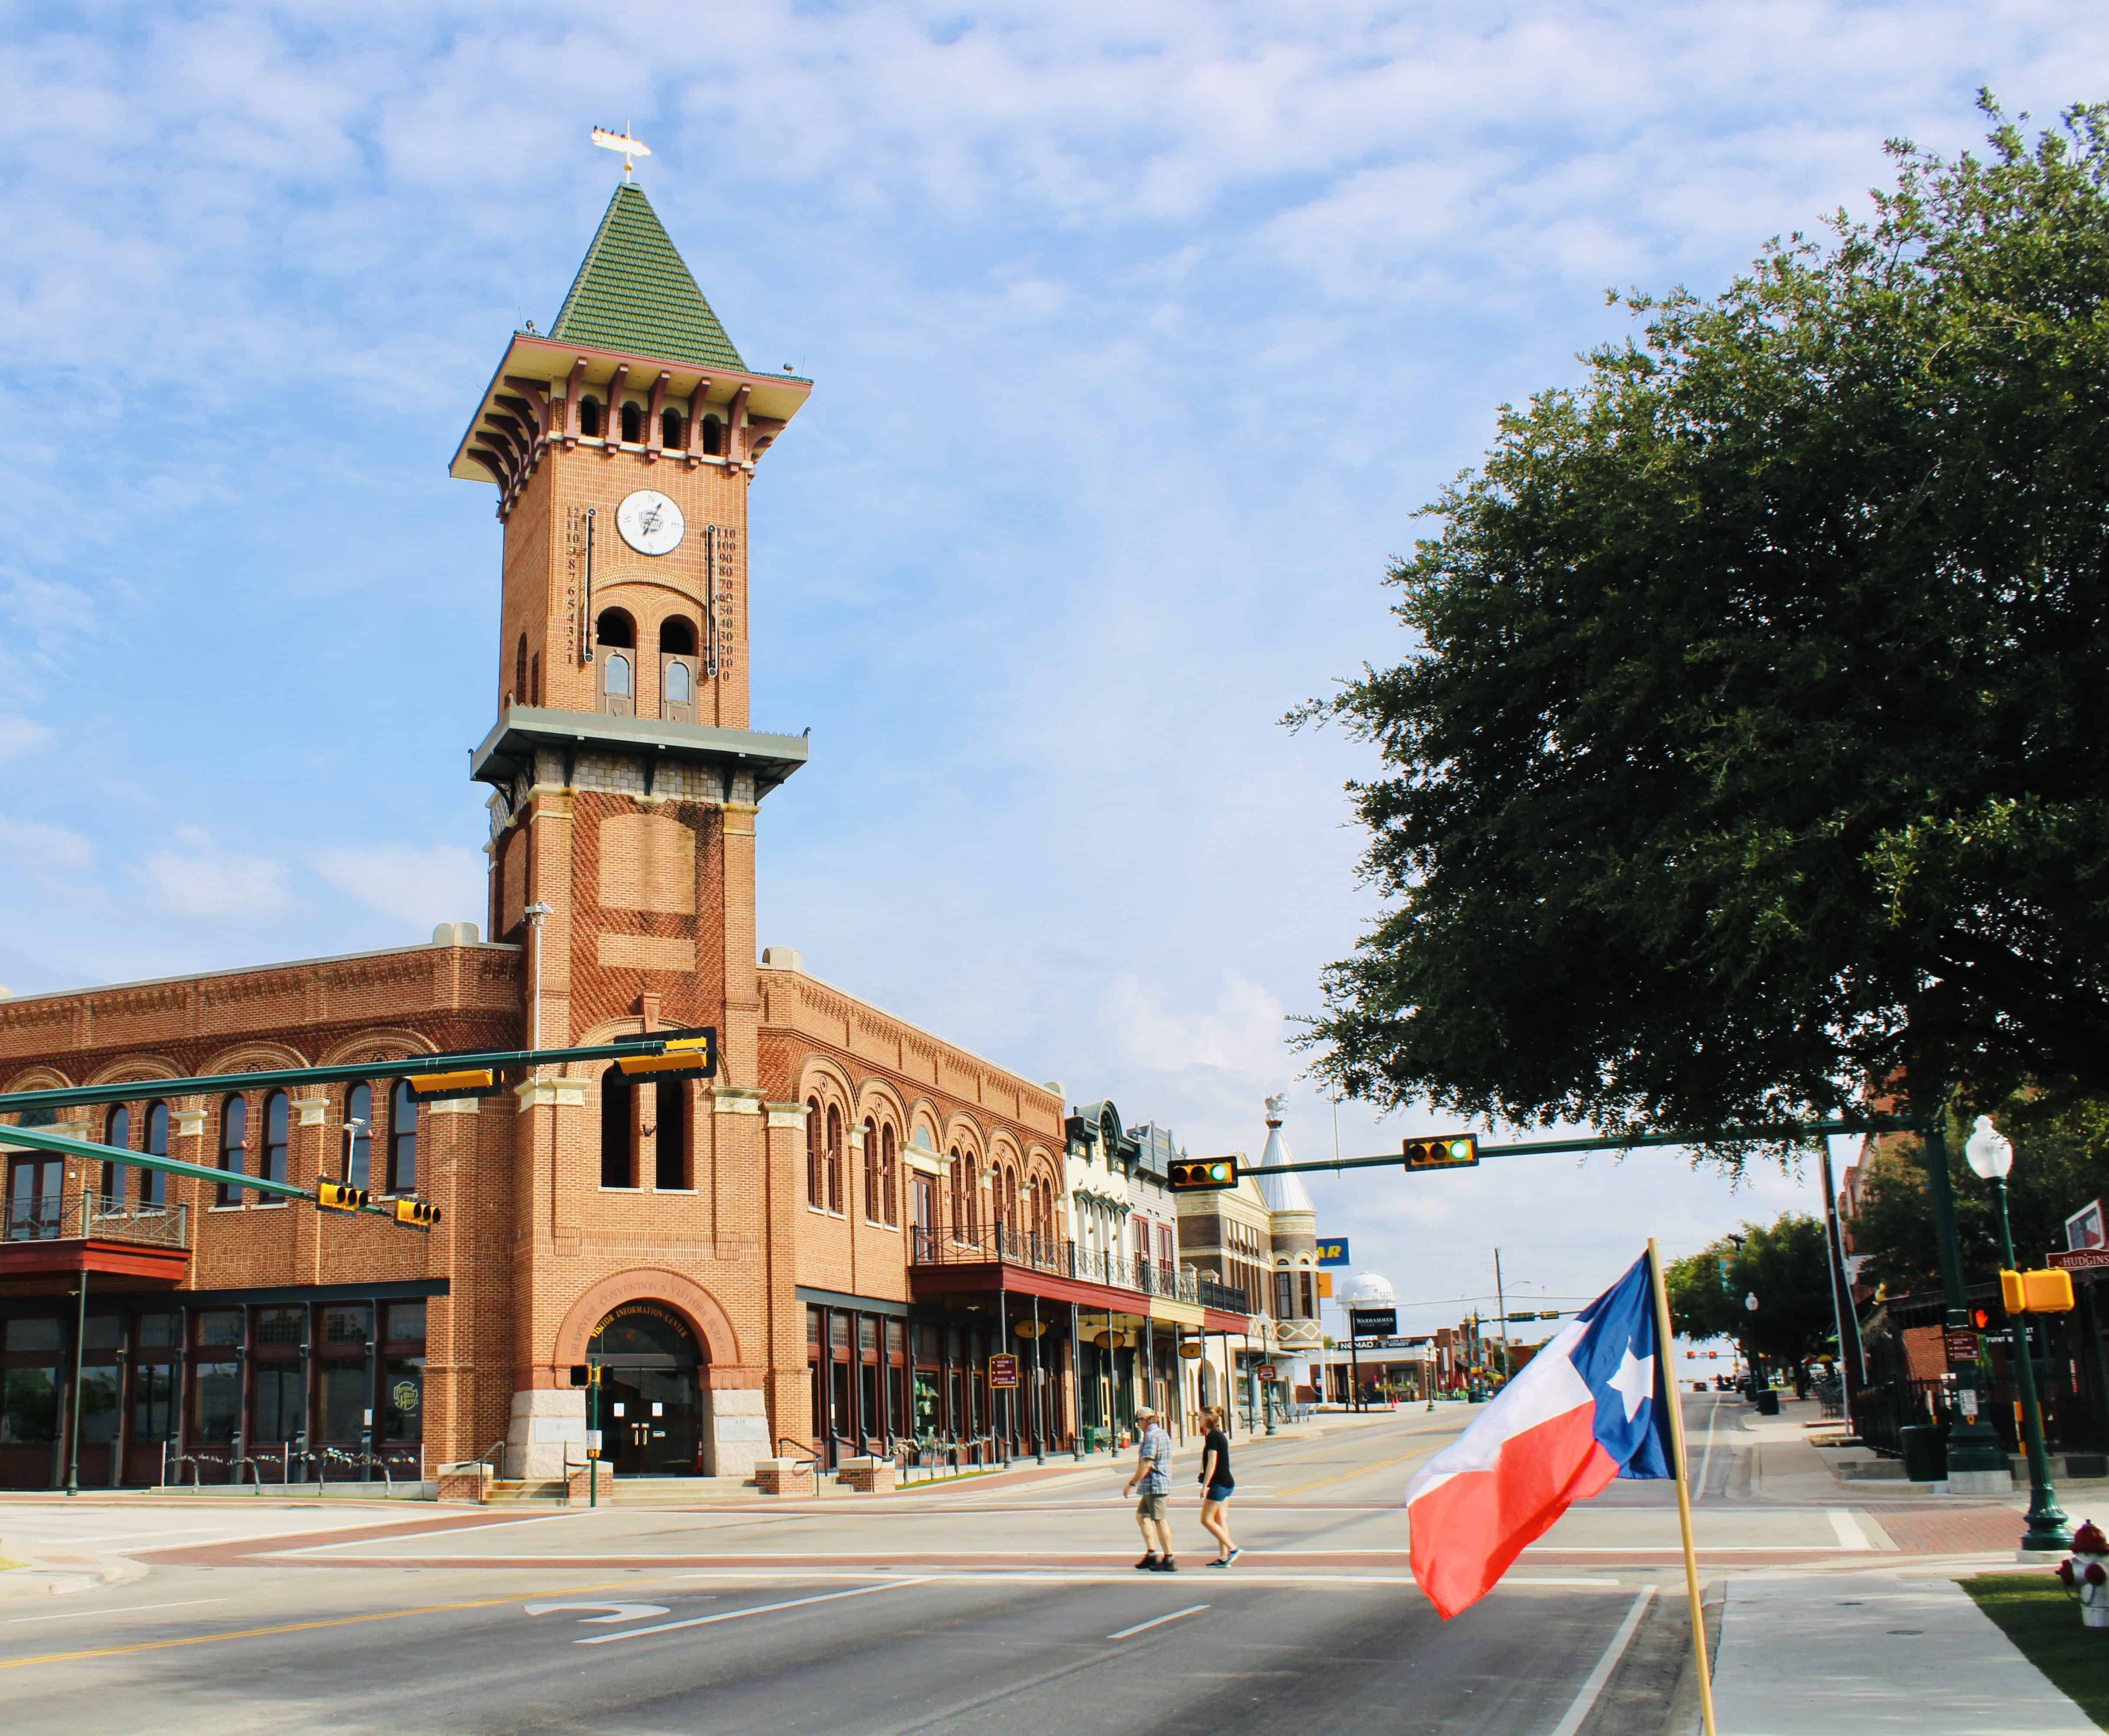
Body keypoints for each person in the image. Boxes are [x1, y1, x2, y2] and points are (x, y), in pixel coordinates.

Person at [1121, 1404, 1176, 1571]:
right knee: (1142, 1516)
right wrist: (1168, 1484)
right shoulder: (1163, 1434)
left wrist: (1131, 1484)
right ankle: (1152, 1554)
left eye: (1139, 1421)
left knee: (1159, 1520)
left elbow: (1147, 1463)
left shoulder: (1152, 1436)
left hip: (1155, 1483)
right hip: (1156, 1484)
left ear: (1146, 1420)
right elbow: (1170, 1461)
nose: (1138, 1425)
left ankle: (1169, 1558)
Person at [1196, 1404, 1240, 1566]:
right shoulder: (1217, 1435)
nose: (1198, 1420)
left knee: (1206, 1520)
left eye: (1200, 1417)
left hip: (1219, 1484)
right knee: (1220, 1519)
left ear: (1208, 1419)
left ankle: (1232, 1548)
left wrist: (1205, 1486)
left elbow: (1212, 1463)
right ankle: (1224, 1557)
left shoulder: (1213, 1437)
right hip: (1227, 1482)